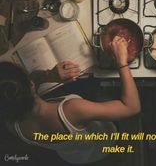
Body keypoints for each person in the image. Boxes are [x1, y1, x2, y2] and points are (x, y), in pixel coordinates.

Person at [0, 36, 140, 164]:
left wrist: (49, 75)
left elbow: (26, 85)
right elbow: (131, 107)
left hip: (74, 154)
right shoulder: (73, 109)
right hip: (101, 141)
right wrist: (122, 62)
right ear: (30, 85)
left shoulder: (11, 122)